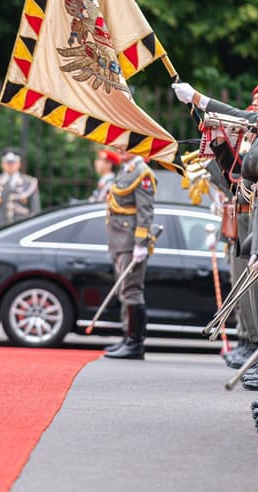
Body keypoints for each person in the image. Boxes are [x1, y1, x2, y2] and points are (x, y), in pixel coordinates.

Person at [103, 150, 156, 360]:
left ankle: (135, 343)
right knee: (125, 291)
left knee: (132, 291)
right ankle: (127, 337)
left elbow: (145, 212)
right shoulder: (126, 170)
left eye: (126, 146)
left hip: (130, 241)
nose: (119, 149)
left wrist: (141, 243)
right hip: (119, 240)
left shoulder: (142, 173)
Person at [0, 149, 39, 231]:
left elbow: (35, 209)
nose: (10, 165)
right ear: (2, 164)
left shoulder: (29, 182)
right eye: (7, 163)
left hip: (22, 228)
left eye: (13, 162)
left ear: (19, 164)